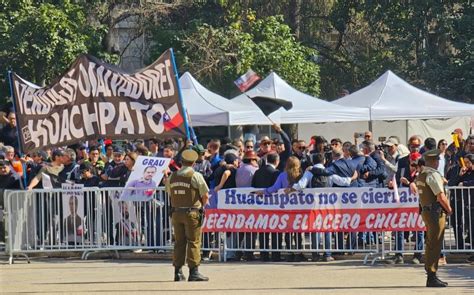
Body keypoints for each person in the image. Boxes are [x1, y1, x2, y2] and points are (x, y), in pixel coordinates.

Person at [165, 149, 209, 282]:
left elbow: (169, 192)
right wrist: (202, 205)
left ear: (182, 161)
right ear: (194, 162)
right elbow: (205, 195)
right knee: (194, 241)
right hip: (192, 212)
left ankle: (177, 272)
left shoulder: (172, 176)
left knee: (179, 242)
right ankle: (193, 271)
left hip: (176, 212)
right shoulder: (195, 176)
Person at [414, 149, 452, 287]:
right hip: (435, 213)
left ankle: (431, 273)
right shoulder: (432, 174)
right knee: (435, 244)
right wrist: (449, 209)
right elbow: (440, 196)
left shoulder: (421, 175)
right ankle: (432, 275)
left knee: (431, 243)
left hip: (427, 212)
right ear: (435, 161)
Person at [252, 153, 281, 261]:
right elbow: (277, 188)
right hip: (273, 205)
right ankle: (275, 255)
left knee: (263, 229)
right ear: (277, 161)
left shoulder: (258, 171)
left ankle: (263, 254)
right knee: (275, 230)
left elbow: (253, 185)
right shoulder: (276, 173)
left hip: (260, 205)